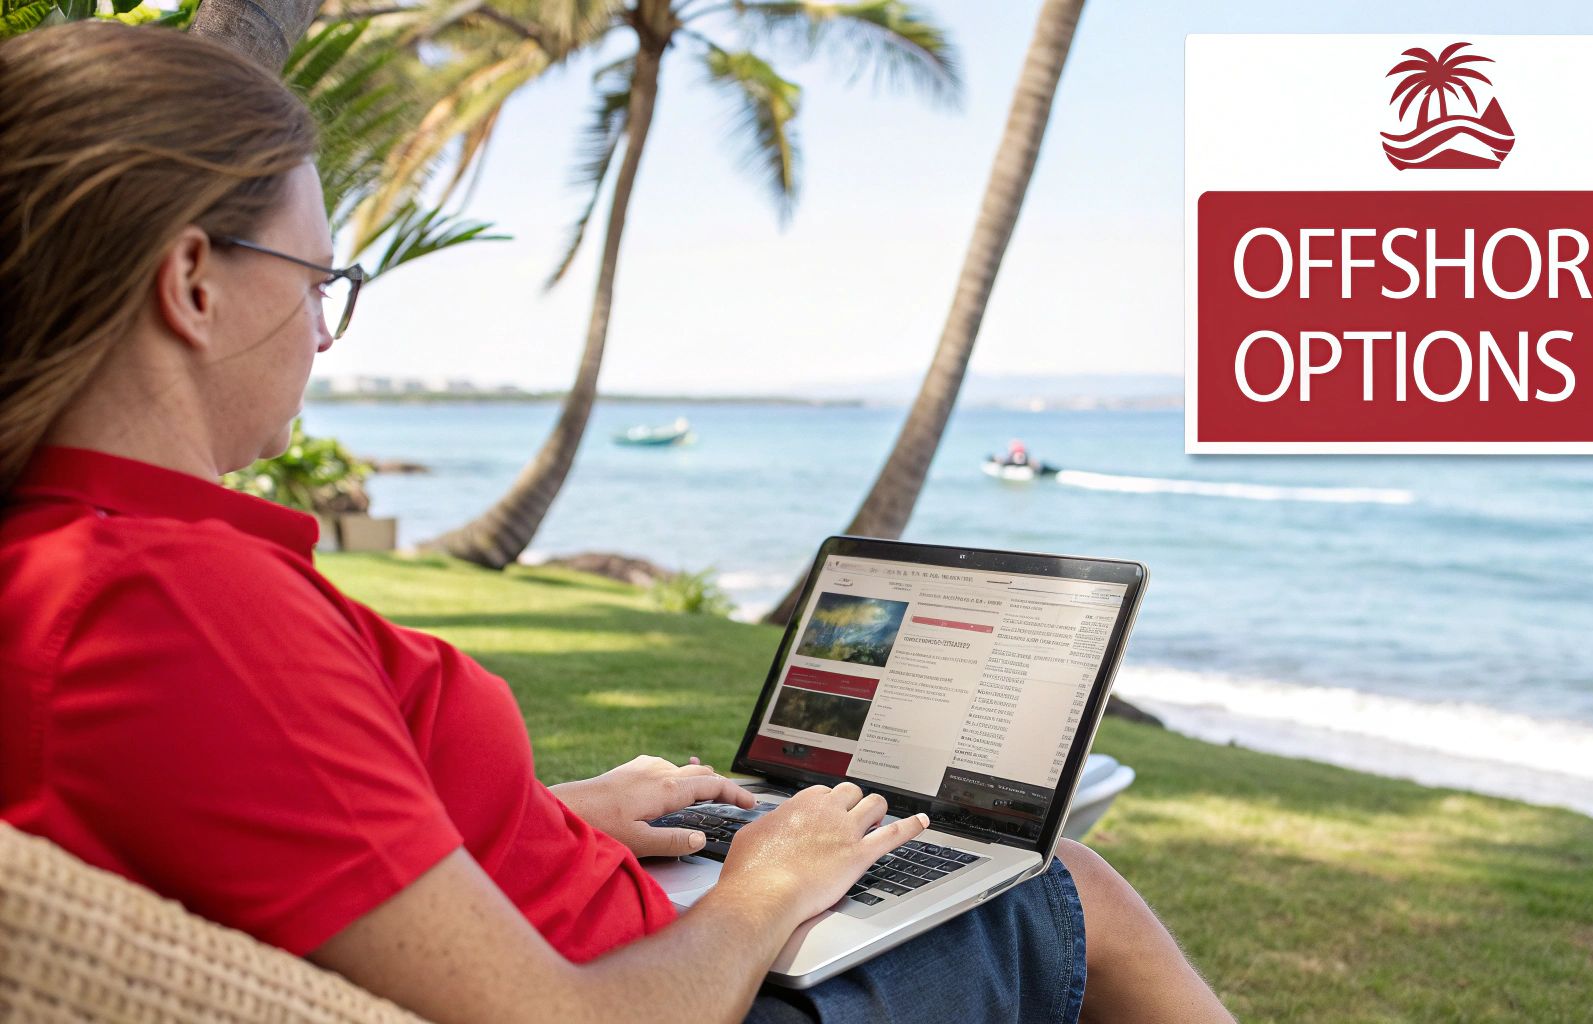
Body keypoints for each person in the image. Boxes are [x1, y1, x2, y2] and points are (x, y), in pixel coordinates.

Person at [0, 23, 1236, 1024]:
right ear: (193, 282)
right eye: (322, 282)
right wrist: (761, 891)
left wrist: (545, 812)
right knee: (1062, 882)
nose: (325, 333)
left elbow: (279, 808)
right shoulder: (172, 599)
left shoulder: (66, 553)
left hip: (608, 920)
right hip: (682, 988)